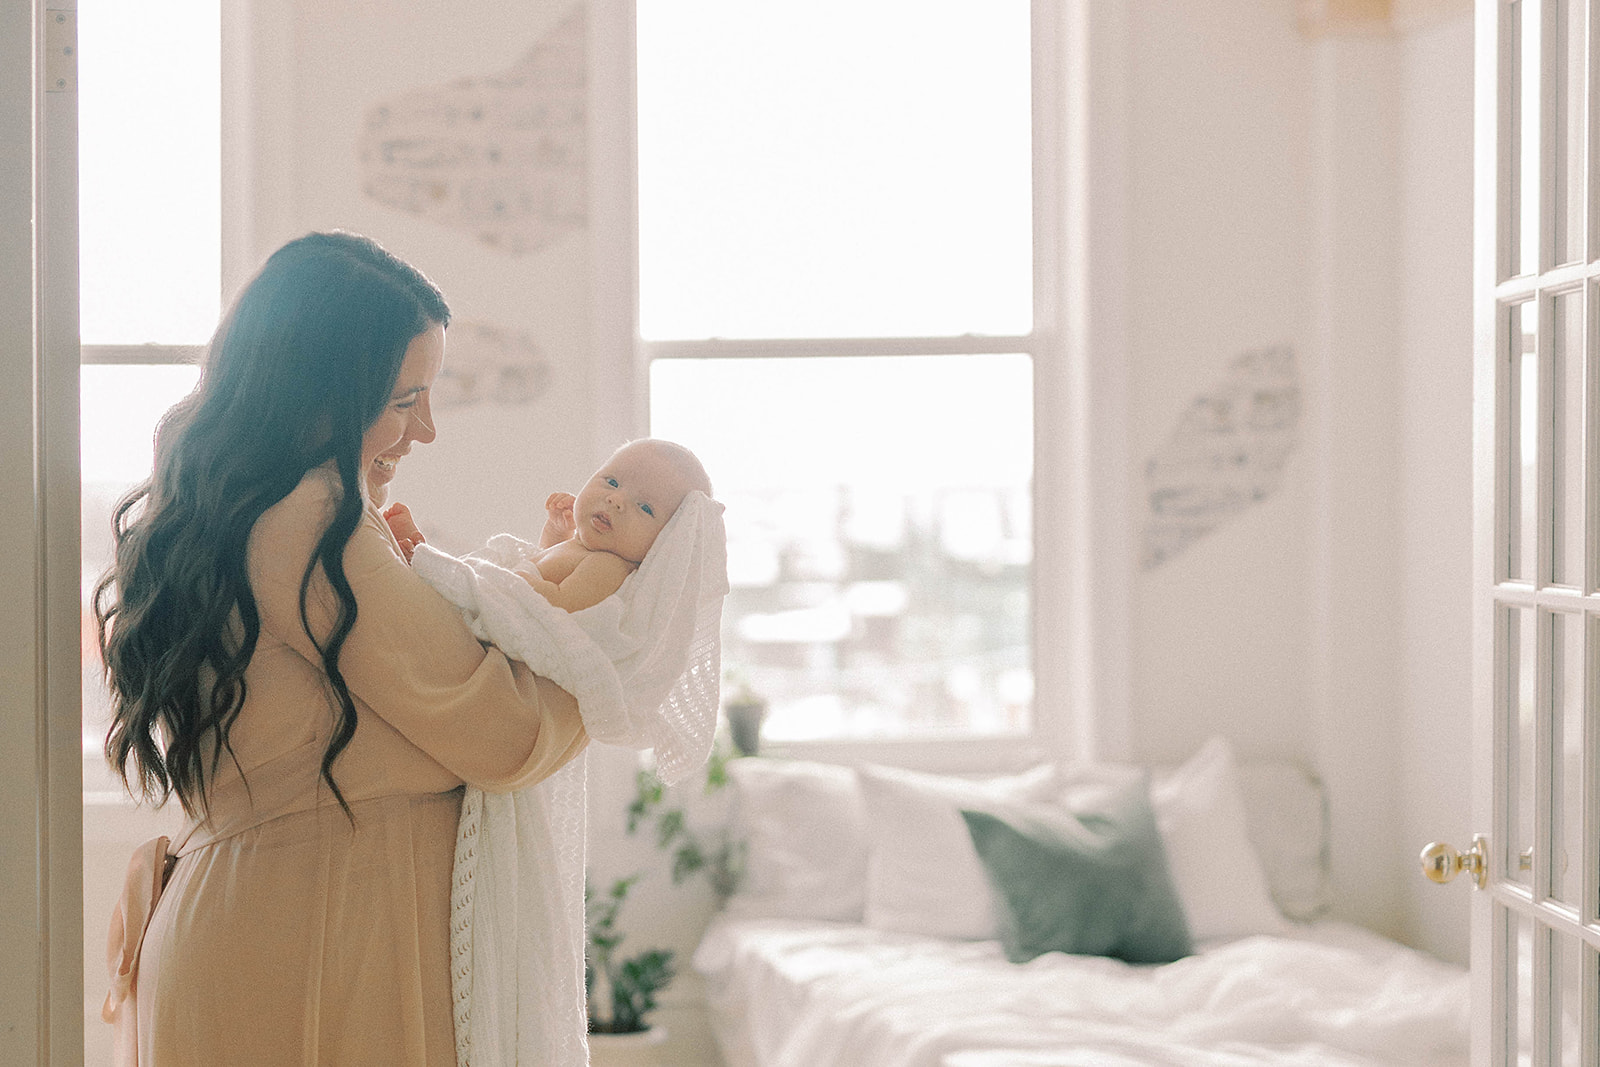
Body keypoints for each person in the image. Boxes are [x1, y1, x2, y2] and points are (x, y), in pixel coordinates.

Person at [94, 230, 589, 1067]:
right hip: (316, 936)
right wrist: (612, 636)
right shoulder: (311, 518)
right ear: (319, 396)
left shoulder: (242, 509)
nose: (424, 430)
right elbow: (503, 731)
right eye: (402, 400)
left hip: (282, 921)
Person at [384, 438, 713, 613]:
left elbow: (561, 604)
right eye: (611, 481)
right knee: (456, 585)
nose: (616, 500)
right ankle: (418, 557)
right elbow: (546, 560)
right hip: (507, 593)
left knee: (450, 601)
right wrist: (558, 533)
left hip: (509, 604)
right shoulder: (584, 549)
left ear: (665, 541)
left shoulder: (608, 567)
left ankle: (419, 558)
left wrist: (515, 580)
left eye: (644, 507)